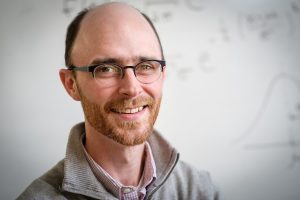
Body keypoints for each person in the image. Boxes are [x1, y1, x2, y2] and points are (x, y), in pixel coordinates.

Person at [17, 2, 219, 200]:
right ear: (71, 84)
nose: (132, 89)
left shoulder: (198, 190)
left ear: (163, 75)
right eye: (106, 69)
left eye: (146, 66)